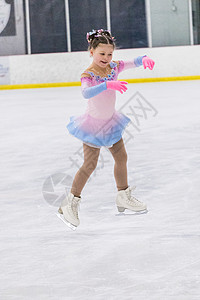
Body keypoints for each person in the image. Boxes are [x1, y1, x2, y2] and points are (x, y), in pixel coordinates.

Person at [59, 29, 155, 228]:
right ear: (91, 52)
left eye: (109, 54)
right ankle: (69, 203)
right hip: (93, 126)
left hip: (111, 122)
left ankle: (123, 195)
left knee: (121, 157)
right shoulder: (88, 74)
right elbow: (86, 93)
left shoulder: (114, 67)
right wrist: (107, 85)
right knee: (90, 165)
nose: (106, 58)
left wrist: (144, 59)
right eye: (102, 53)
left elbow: (131, 62)